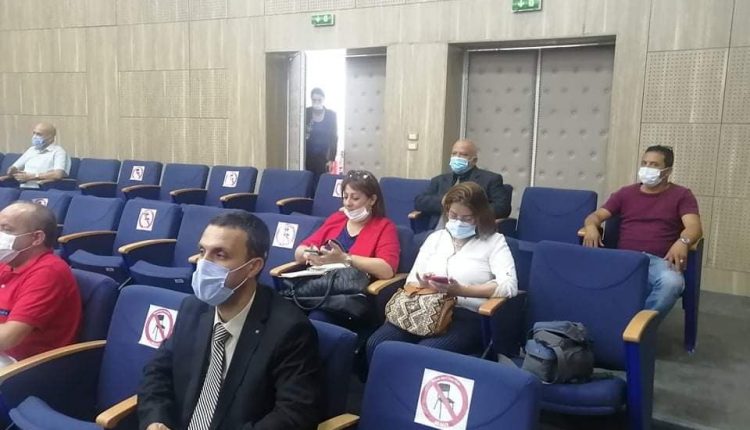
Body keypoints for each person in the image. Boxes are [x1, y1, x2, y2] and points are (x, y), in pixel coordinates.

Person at [139, 212, 322, 430]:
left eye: (220, 255)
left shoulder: (289, 330)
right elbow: (158, 373)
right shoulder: (193, 308)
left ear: (253, 267)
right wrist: (156, 421)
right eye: (202, 251)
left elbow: (294, 414)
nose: (203, 264)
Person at [367, 182, 517, 362]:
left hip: (465, 315)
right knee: (377, 344)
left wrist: (462, 290)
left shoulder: (494, 242)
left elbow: (509, 286)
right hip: (425, 307)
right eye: (453, 216)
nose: (458, 222)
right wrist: (424, 283)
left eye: (466, 218)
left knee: (424, 355)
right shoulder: (436, 238)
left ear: (479, 216)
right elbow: (412, 280)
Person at [582, 145, 703, 316]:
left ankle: (639, 325)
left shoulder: (682, 195)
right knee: (585, 275)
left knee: (672, 283)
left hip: (659, 261)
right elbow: (595, 216)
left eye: (654, 165)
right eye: (644, 163)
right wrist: (591, 227)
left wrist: (683, 241)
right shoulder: (625, 193)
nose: (647, 168)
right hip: (625, 258)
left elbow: (694, 227)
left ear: (667, 171)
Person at [294, 169, 400, 324]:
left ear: (372, 199)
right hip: (318, 290)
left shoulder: (385, 227)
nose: (348, 203)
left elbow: (387, 269)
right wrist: (310, 254)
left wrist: (346, 259)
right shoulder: (337, 219)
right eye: (345, 197)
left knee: (315, 319)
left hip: (349, 300)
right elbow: (299, 251)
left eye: (355, 198)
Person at [0, 201, 81, 366]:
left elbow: (8, 338)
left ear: (36, 238)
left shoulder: (49, 272)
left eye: (6, 229)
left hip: (26, 366)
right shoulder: (7, 263)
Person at [414, 139, 511, 229]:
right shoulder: (439, 180)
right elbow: (419, 202)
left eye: (463, 155)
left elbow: (502, 208)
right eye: (454, 154)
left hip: (472, 230)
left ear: (474, 160)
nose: (457, 157)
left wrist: (468, 209)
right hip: (438, 230)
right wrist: (447, 202)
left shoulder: (491, 179)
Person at [6, 122, 71, 189]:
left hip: (43, 189)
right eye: (34, 133)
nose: (35, 137)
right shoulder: (32, 150)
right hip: (23, 187)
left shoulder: (58, 152)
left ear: (50, 137)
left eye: (39, 134)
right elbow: (15, 167)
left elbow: (58, 174)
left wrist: (33, 176)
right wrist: (12, 171)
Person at [304, 88, 338, 184]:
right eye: (314, 100)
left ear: (323, 99)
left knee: (321, 182)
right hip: (307, 156)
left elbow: (334, 137)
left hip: (323, 158)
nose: (316, 102)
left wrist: (331, 159)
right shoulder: (306, 113)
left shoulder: (331, 115)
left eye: (319, 100)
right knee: (307, 182)